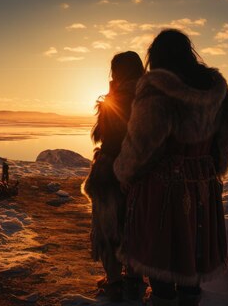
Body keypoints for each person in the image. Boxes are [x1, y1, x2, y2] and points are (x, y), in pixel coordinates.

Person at [113, 29, 228, 306]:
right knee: (192, 257)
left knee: (162, 259)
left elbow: (141, 143)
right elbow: (225, 142)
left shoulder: (157, 88)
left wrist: (125, 172)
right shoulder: (219, 90)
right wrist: (211, 168)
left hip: (161, 187)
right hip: (203, 186)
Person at [82, 51, 146, 302]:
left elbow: (104, 136)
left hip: (112, 169)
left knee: (109, 226)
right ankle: (135, 279)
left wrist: (110, 96)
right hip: (142, 170)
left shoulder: (117, 97)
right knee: (136, 225)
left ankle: (115, 281)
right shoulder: (149, 95)